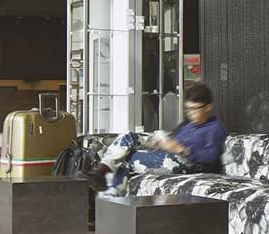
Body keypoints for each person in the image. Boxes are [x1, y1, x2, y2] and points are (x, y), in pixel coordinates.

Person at [85, 83, 227, 196]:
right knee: (129, 136)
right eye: (188, 109)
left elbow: (211, 157)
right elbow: (172, 141)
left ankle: (108, 188)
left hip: (185, 165)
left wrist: (183, 150)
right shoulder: (187, 125)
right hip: (167, 155)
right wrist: (159, 144)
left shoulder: (215, 128)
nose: (190, 114)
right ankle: (104, 178)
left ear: (208, 107)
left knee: (124, 159)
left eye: (195, 109)